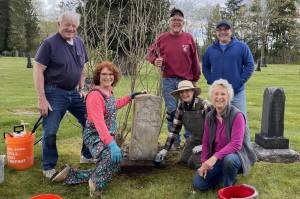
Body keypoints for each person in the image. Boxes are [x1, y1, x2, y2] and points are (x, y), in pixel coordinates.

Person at [50, 61, 145, 197]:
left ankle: (70, 174)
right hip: (94, 135)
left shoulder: (109, 91)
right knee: (110, 157)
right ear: (98, 77)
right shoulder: (95, 95)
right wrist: (112, 144)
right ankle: (96, 184)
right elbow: (99, 123)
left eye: (111, 74)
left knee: (115, 163)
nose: (108, 77)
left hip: (106, 135)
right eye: (104, 74)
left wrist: (131, 97)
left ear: (115, 76)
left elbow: (113, 106)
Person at [33, 11, 94, 179]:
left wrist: (83, 87)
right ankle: (49, 167)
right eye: (67, 24)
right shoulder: (49, 44)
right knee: (50, 130)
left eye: (74, 25)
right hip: (53, 92)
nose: (71, 28)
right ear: (58, 24)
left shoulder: (80, 43)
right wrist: (42, 98)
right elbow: (38, 70)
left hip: (74, 93)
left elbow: (83, 67)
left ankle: (87, 155)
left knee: (91, 120)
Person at [147, 8, 201, 148]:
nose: (177, 23)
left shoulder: (189, 38)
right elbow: (151, 53)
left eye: (179, 20)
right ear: (169, 23)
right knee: (171, 111)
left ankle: (189, 141)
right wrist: (155, 60)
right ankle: (174, 143)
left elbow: (194, 59)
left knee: (189, 110)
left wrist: (195, 77)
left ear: (183, 23)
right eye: (174, 20)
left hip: (186, 81)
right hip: (169, 79)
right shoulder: (162, 38)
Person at [192, 79, 256, 191]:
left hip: (236, 156)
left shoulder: (237, 116)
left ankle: (228, 186)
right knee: (198, 184)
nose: (219, 97)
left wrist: (214, 157)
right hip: (217, 158)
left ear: (229, 97)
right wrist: (204, 162)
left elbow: (236, 144)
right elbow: (206, 142)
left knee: (229, 160)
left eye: (223, 94)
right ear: (212, 97)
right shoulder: (209, 117)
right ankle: (224, 175)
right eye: (216, 94)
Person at [202, 20, 254, 145]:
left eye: (226, 29)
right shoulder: (210, 49)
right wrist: (210, 80)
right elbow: (205, 66)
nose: (223, 32)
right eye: (220, 30)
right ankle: (219, 150)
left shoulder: (241, 47)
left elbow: (250, 65)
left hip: (237, 93)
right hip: (218, 95)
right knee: (219, 123)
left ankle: (246, 152)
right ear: (216, 33)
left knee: (242, 121)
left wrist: (240, 82)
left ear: (231, 31)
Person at [154, 80, 211, 169]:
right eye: (181, 92)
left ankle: (215, 161)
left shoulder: (204, 105)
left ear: (193, 92)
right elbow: (174, 130)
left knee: (193, 162)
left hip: (212, 140)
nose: (184, 94)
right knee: (184, 160)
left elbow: (217, 129)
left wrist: (204, 146)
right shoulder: (181, 107)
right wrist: (165, 150)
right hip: (196, 139)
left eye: (187, 91)